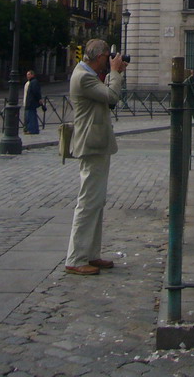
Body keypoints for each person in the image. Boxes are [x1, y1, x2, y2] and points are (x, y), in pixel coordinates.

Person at [65, 38, 128, 276]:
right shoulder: (83, 76)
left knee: (97, 202)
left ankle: (91, 254)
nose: (108, 62)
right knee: (88, 202)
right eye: (107, 59)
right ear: (99, 57)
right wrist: (115, 73)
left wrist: (114, 72)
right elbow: (112, 96)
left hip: (97, 143)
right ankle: (76, 257)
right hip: (90, 144)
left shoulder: (88, 75)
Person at [23, 69, 43, 135]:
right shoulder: (32, 82)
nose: (27, 76)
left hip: (31, 102)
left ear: (32, 74)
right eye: (27, 75)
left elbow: (36, 92)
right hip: (31, 101)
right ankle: (32, 129)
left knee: (31, 116)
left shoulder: (33, 82)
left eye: (29, 74)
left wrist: (39, 99)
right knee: (31, 115)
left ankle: (32, 130)